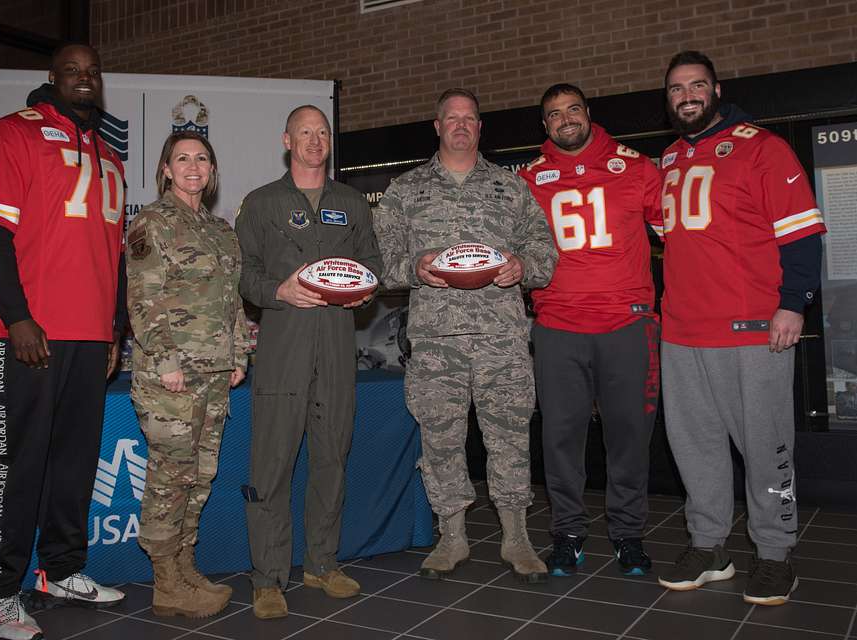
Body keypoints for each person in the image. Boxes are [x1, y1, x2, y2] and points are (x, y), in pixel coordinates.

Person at [0, 43, 127, 640]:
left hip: (89, 337)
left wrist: (113, 328)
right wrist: (17, 318)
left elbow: (111, 258)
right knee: (16, 464)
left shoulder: (110, 155)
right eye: (73, 72)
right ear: (52, 78)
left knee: (75, 464)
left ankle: (61, 569)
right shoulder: (11, 133)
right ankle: (0, 591)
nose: (85, 80)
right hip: (27, 335)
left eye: (93, 73)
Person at [655, 51, 826, 606]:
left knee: (765, 445)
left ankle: (775, 554)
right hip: (682, 331)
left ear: (716, 89)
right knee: (695, 447)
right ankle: (709, 546)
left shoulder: (763, 148)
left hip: (753, 327)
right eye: (677, 88)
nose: (687, 95)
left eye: (697, 85)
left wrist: (794, 303)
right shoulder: (670, 158)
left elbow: (800, 235)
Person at [373, 88, 555, 583]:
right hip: (436, 341)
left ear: (480, 127)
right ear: (437, 126)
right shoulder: (404, 191)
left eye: (469, 118)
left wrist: (523, 264)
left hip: (502, 339)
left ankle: (515, 536)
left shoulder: (510, 188)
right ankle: (452, 535)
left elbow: (545, 253)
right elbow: (382, 263)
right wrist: (414, 267)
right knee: (440, 439)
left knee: (511, 437)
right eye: (451, 118)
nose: (460, 126)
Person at [235, 105, 382, 619]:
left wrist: (365, 290)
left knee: (331, 461)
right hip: (283, 349)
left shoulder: (353, 202)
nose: (315, 140)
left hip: (338, 350)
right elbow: (243, 273)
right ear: (287, 140)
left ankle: (322, 563)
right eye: (305, 132)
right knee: (272, 465)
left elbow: (373, 263)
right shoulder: (261, 203)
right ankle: (268, 577)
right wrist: (277, 290)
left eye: (322, 132)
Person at [517, 84, 663, 578]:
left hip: (627, 323)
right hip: (558, 327)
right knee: (560, 438)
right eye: (553, 114)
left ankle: (627, 533)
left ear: (588, 114)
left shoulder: (638, 166)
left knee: (628, 437)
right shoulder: (529, 180)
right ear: (545, 125)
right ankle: (568, 532)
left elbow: (684, 234)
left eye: (572, 110)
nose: (564, 120)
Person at [126, 131, 249, 618]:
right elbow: (143, 299)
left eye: (202, 159)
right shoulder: (153, 222)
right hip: (171, 375)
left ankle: (184, 563)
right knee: (168, 478)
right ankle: (164, 581)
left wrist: (239, 353)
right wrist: (167, 361)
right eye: (183, 159)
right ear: (166, 169)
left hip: (215, 371)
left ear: (212, 170)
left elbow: (233, 300)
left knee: (200, 476)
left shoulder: (220, 230)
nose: (193, 166)